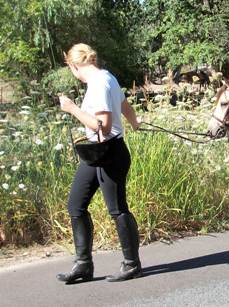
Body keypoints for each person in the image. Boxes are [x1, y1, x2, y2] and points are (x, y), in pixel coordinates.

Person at [56, 43, 142, 283]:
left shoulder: (99, 83)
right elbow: (125, 106)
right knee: (76, 205)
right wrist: (135, 123)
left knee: (117, 209)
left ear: (74, 65)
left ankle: (132, 264)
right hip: (95, 154)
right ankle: (83, 265)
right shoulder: (107, 77)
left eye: (70, 68)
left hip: (109, 152)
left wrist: (72, 109)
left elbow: (101, 124)